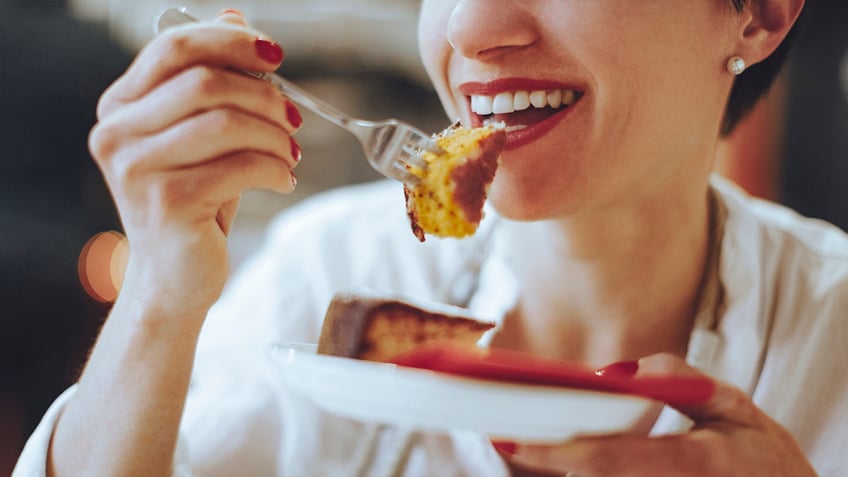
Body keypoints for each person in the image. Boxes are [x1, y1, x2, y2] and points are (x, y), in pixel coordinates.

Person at [13, 0, 848, 475]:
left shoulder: (832, 333)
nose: (470, 28)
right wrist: (160, 288)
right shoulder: (326, 275)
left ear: (760, 14)